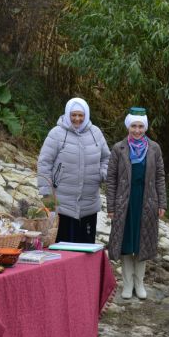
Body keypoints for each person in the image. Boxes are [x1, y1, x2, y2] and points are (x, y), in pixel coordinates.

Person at [106, 107, 166, 300]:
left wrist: (161, 203)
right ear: (128, 126)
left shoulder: (154, 148)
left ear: (145, 127)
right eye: (134, 126)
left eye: (141, 126)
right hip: (125, 201)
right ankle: (127, 284)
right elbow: (111, 179)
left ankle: (139, 283)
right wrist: (111, 206)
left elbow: (160, 177)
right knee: (126, 242)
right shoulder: (118, 148)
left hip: (146, 201)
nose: (137, 130)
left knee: (142, 243)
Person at [37, 97, 110, 243]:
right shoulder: (56, 134)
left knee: (86, 250)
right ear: (68, 114)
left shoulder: (95, 133)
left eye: (80, 115)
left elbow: (107, 158)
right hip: (62, 205)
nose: (77, 119)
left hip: (89, 204)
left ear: (86, 115)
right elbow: (44, 164)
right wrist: (48, 198)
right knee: (64, 250)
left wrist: (102, 173)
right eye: (74, 115)